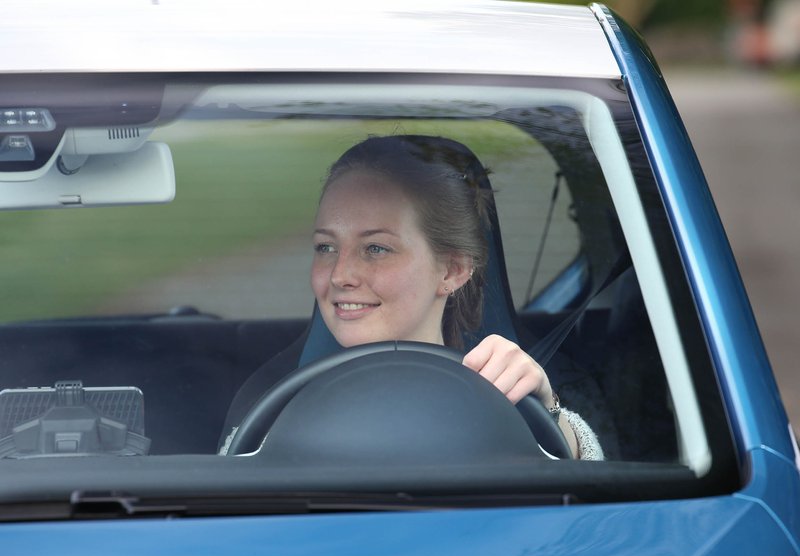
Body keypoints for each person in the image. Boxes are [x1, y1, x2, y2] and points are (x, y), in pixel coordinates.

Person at [220, 135, 603, 460]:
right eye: (325, 247)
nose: (339, 275)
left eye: (375, 249)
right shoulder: (266, 408)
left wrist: (547, 411)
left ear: (452, 270)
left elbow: (595, 514)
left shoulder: (518, 394)